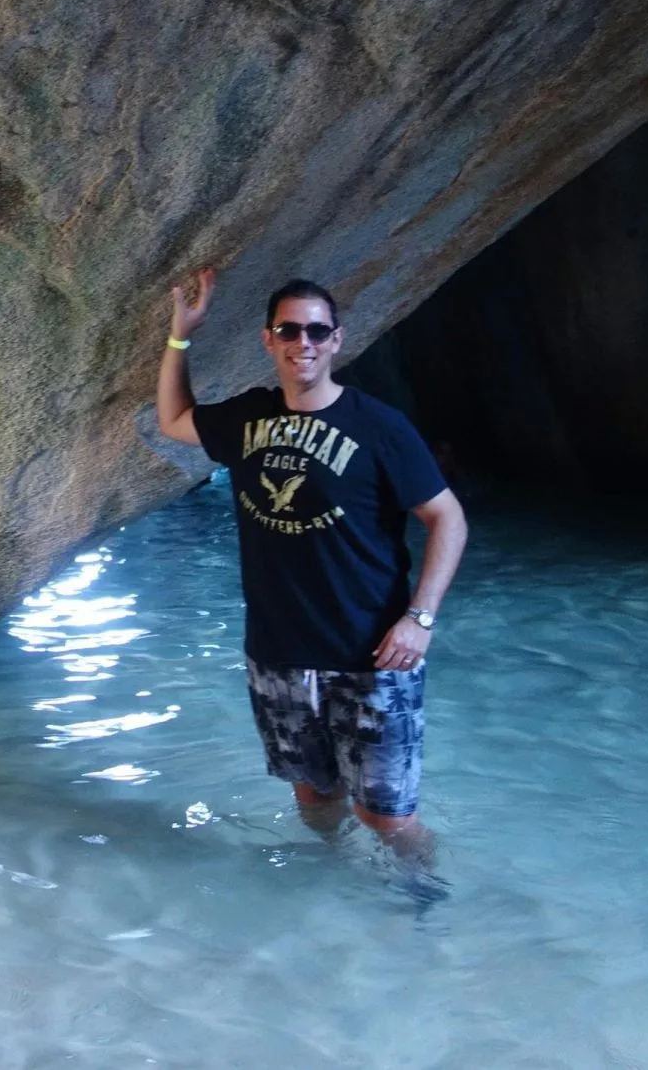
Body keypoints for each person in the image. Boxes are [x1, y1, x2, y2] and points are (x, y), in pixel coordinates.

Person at [155, 268, 467, 860]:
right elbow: (173, 420)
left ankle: (428, 916)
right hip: (277, 654)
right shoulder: (249, 418)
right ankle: (327, 907)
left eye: (318, 332)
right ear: (268, 340)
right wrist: (181, 336)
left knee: (387, 818)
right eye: (290, 330)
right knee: (314, 799)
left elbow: (447, 517)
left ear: (337, 340)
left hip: (370, 657)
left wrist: (420, 619)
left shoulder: (379, 427)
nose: (305, 343)